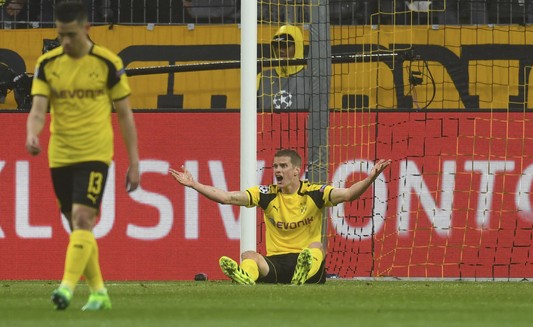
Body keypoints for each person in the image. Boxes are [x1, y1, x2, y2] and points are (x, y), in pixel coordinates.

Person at [25, 0, 140, 311]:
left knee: (82, 217)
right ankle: (100, 292)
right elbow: (38, 109)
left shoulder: (107, 62)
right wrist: (32, 132)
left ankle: (65, 288)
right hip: (60, 155)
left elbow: (125, 115)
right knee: (78, 226)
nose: (65, 41)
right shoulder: (48, 64)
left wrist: (134, 162)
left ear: (87, 29)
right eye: (61, 35)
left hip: (95, 153)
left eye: (71, 35)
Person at [169, 149, 391, 285]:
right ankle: (245, 277)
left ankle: (303, 273)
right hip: (278, 264)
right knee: (249, 255)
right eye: (275, 166)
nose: (277, 170)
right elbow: (227, 198)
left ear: (296, 170)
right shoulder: (266, 194)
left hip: (308, 263)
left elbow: (349, 194)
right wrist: (194, 184)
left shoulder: (315, 193)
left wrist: (370, 178)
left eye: (283, 166)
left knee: (317, 245)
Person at [257, 24, 310, 111]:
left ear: (298, 47)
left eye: (285, 46)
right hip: (268, 124)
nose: (280, 50)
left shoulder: (312, 79)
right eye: (277, 46)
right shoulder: (261, 78)